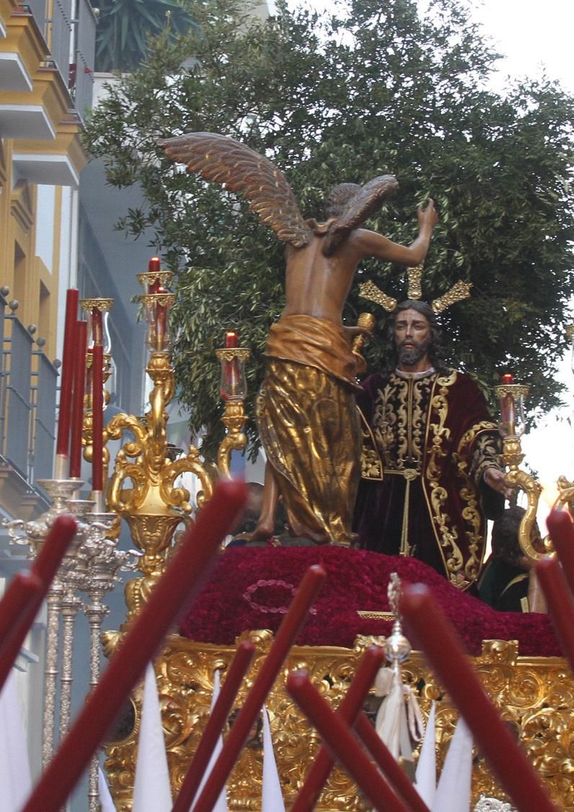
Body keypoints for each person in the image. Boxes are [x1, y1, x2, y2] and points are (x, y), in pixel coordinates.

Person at [160, 131, 437, 544]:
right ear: (353, 210)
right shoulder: (355, 238)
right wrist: (426, 227)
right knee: (333, 439)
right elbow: (414, 255)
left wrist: (346, 330)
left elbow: (309, 312)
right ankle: (324, 526)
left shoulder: (295, 240)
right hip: (322, 352)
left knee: (283, 433)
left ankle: (269, 520)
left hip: (288, 344)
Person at [351, 300, 506, 590]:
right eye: (401, 326)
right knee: (374, 592)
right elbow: (348, 441)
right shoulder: (372, 387)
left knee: (441, 600)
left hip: (441, 508)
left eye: (417, 326)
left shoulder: (460, 388)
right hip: (380, 509)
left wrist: (488, 471)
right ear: (393, 335)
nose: (408, 333)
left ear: (431, 334)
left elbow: (478, 434)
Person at [473, 505, 540, 612]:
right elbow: (535, 623)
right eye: (535, 542)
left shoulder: (493, 563)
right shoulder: (519, 589)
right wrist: (536, 573)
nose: (541, 544)